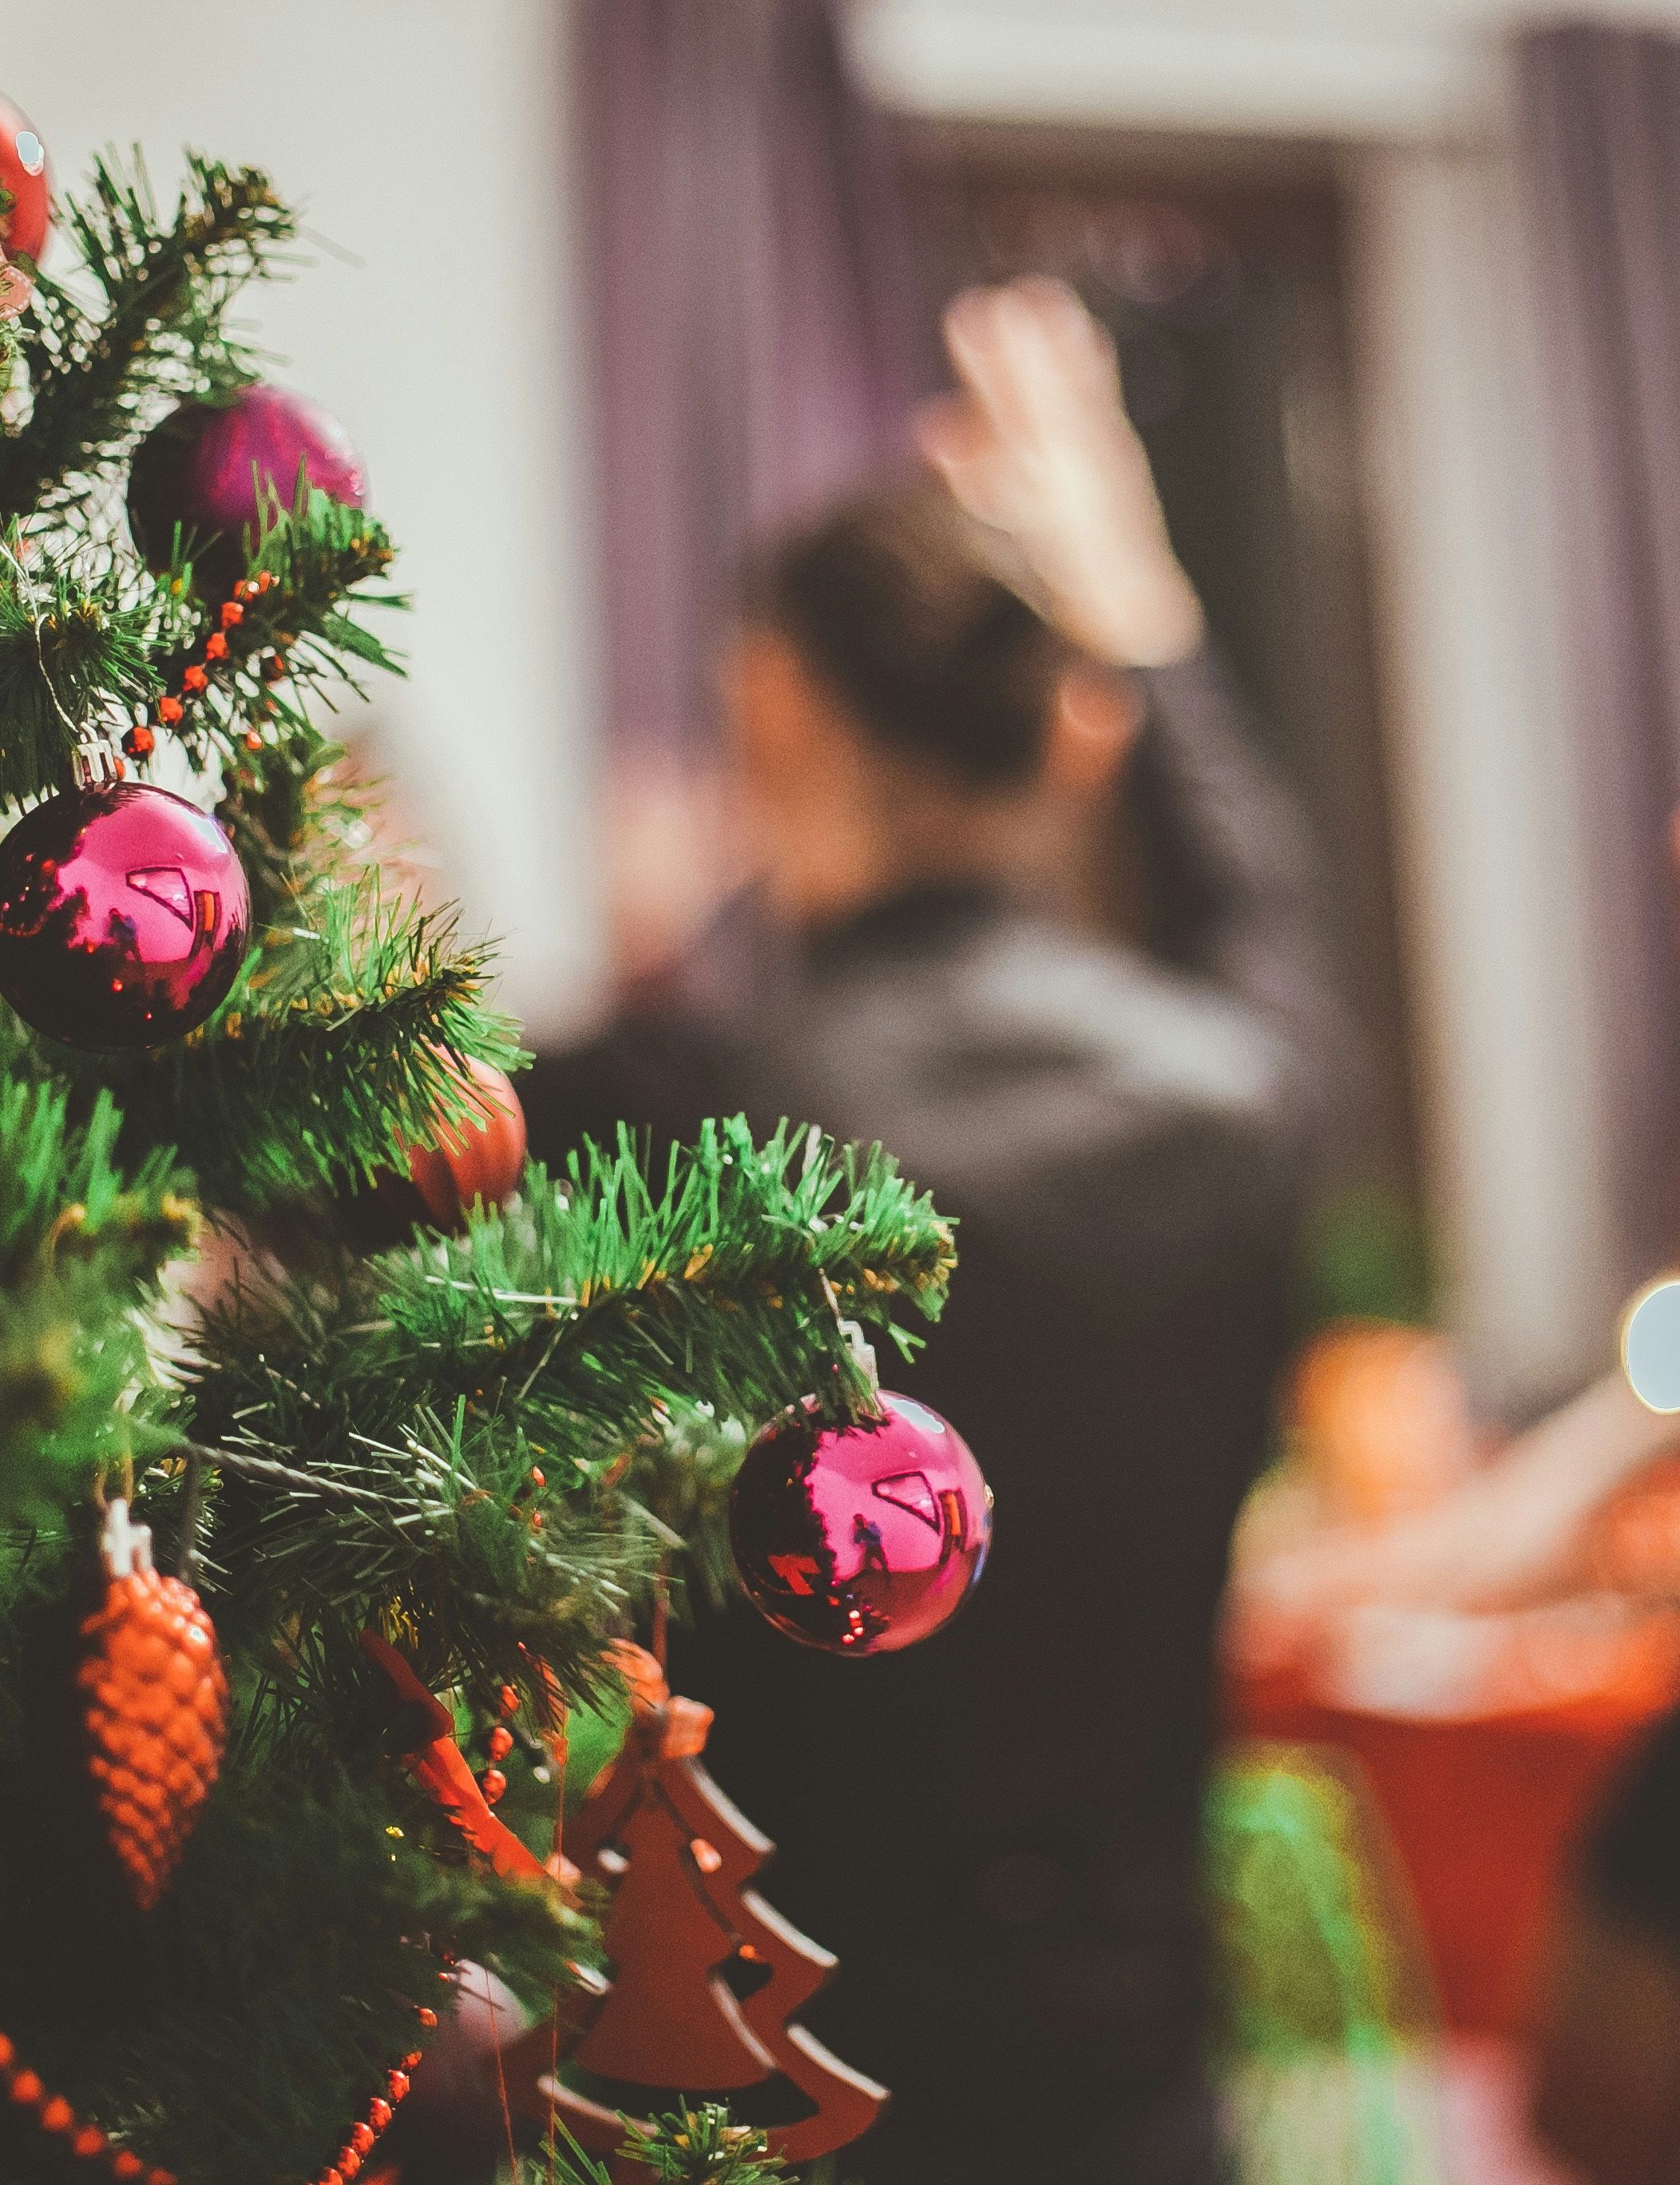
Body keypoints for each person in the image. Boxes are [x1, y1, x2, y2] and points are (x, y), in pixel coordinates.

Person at [524, 278, 1354, 2185]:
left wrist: (640, 960)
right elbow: (1260, 901)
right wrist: (1144, 623)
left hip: (773, 2080)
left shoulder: (667, 1104)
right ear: (1067, 736)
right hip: (1135, 2088)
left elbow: (343, 1176)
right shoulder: (1246, 1091)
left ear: (773, 709)